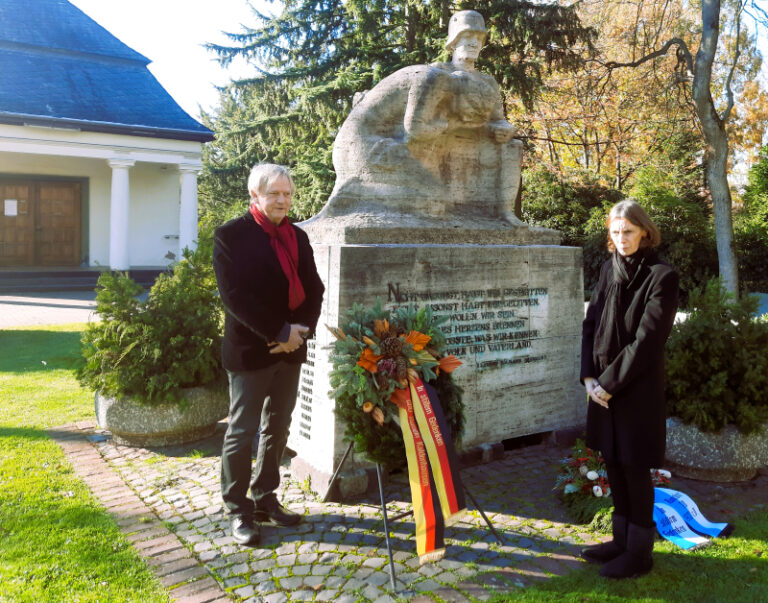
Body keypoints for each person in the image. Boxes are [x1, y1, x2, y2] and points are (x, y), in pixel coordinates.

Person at [213, 163, 325, 546]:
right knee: (242, 431)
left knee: (278, 427)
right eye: (274, 193)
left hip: (290, 350)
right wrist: (278, 332)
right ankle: (238, 509)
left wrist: (298, 332)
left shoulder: (297, 235)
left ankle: (265, 497)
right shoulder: (230, 236)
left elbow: (314, 289)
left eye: (287, 194)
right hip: (251, 351)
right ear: (255, 196)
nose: (282, 200)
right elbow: (235, 298)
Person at [580, 199, 679, 578]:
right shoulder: (608, 269)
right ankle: (620, 542)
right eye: (616, 232)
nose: (622, 239)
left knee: (635, 469)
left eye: (629, 232)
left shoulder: (662, 276)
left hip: (635, 389)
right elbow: (590, 325)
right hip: (602, 388)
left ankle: (639, 554)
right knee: (613, 463)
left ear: (644, 232)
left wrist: (607, 383)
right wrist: (590, 377)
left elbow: (648, 341)